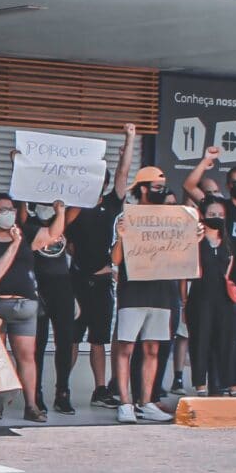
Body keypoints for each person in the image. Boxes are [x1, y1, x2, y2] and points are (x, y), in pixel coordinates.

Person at [0, 192, 62, 423]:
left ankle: (31, 404)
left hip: (25, 304)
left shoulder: (24, 233)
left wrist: (61, 212)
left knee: (26, 356)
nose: (9, 213)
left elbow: (52, 235)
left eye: (11, 209)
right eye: (2, 209)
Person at [65, 125, 139, 407]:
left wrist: (130, 139)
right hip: (77, 281)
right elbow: (62, 234)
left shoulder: (111, 202)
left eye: (101, 179)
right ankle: (63, 386)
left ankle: (99, 390)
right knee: (71, 337)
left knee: (99, 340)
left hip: (102, 281)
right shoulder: (75, 207)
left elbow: (124, 172)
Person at [109, 166, 180, 425]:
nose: (161, 192)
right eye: (156, 187)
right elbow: (115, 259)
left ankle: (146, 401)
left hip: (161, 290)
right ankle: (125, 402)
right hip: (133, 291)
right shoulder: (127, 217)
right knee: (126, 347)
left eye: (163, 187)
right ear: (142, 188)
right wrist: (120, 237)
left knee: (152, 347)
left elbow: (181, 253)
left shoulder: (173, 219)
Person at [26, 198, 81, 415]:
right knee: (37, 343)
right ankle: (36, 393)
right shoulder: (29, 224)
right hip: (38, 285)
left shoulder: (63, 222)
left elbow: (79, 207)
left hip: (63, 286)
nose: (46, 206)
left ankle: (63, 392)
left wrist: (61, 208)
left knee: (65, 341)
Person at [187, 200, 236, 396]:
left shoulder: (229, 243)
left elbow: (233, 271)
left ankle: (233, 385)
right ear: (203, 215)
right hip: (200, 299)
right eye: (212, 214)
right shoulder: (195, 241)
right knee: (200, 341)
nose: (217, 218)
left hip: (224, 300)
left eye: (220, 214)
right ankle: (200, 386)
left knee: (228, 342)